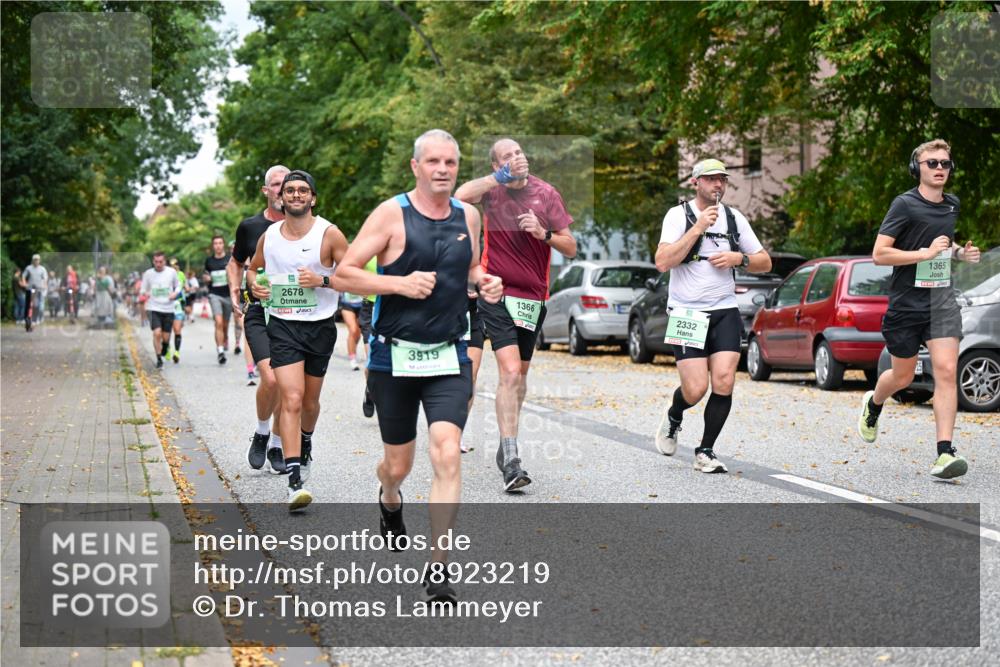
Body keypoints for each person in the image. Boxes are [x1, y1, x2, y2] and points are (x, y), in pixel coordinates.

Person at [334, 129, 504, 604]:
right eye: (433, 162)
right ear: (416, 166)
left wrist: (484, 281)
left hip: (449, 351)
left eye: (450, 162)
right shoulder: (392, 214)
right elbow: (344, 272)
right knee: (398, 465)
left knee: (447, 451)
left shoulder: (468, 215)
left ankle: (438, 568)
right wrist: (398, 285)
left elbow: (467, 270)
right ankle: (389, 499)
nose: (443, 170)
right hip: (394, 354)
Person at [454, 137, 577, 492]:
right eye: (507, 156)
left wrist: (544, 233)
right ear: (497, 165)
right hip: (495, 290)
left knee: (518, 377)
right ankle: (511, 459)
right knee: (508, 371)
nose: (516, 158)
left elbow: (570, 245)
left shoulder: (546, 193)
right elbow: (460, 196)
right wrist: (499, 179)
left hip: (533, 297)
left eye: (518, 153)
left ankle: (505, 446)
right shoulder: (492, 192)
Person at [859, 139, 981, 479]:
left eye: (945, 163)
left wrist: (958, 254)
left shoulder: (952, 205)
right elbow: (880, 254)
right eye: (932, 163)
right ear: (918, 169)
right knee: (902, 376)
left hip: (941, 301)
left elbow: (943, 242)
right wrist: (922, 254)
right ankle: (874, 403)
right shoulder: (904, 205)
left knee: (945, 371)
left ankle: (944, 453)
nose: (940, 168)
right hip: (906, 303)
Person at [653, 158, 772, 473]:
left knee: (724, 380)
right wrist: (698, 228)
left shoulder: (734, 218)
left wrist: (740, 257)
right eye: (711, 179)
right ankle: (674, 415)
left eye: (722, 180)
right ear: (696, 183)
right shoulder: (678, 216)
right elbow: (663, 262)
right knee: (695, 389)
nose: (718, 185)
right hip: (686, 311)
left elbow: (765, 262)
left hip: (724, 310)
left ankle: (705, 450)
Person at [249, 169, 348, 511]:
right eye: (289, 190)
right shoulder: (270, 235)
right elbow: (253, 268)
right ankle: (293, 480)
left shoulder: (329, 234)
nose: (295, 195)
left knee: (309, 402)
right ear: (281, 197)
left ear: (312, 198)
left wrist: (321, 281)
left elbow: (353, 277)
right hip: (284, 324)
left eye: (302, 190)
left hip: (320, 327)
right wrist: (254, 284)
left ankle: (305, 441)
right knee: (290, 397)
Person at [228, 164, 289, 474]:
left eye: (288, 183)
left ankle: (277, 443)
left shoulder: (307, 227)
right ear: (266, 191)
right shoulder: (251, 227)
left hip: (294, 314)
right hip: (260, 312)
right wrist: (236, 290)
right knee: (272, 379)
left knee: (288, 385)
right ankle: (262, 431)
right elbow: (236, 263)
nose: (283, 189)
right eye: (277, 184)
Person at [141, 252, 181, 369]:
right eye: (156, 262)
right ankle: (159, 358)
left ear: (165, 261)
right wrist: (146, 293)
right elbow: (143, 289)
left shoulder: (171, 272)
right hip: (153, 308)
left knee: (166, 337)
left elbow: (178, 286)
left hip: (168, 308)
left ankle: (165, 345)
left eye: (161, 262)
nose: (158, 264)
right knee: (156, 333)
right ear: (153, 262)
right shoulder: (148, 274)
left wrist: (175, 293)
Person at [205, 235, 235, 365]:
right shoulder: (209, 261)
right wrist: (206, 278)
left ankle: (225, 337)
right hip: (214, 294)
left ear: (223, 245)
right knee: (218, 322)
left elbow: (236, 275)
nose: (218, 245)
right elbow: (205, 274)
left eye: (220, 243)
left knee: (225, 324)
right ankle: (220, 351)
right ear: (213, 246)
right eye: (215, 243)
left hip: (228, 295)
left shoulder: (230, 259)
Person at [357, 257, 378, 417]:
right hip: (370, 309)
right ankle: (371, 390)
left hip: (393, 309)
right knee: (372, 361)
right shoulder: (368, 251)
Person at [339, 287, 364, 371]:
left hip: (362, 304)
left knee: (358, 334)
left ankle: (353, 351)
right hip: (347, 304)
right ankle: (353, 359)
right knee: (353, 330)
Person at [23, 254, 48, 325]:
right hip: (30, 289)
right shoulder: (29, 268)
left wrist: (45, 285)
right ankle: (27, 318)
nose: (36, 261)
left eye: (37, 260)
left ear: (39, 260)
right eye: (35, 259)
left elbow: (45, 278)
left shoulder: (42, 269)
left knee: (38, 306)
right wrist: (24, 283)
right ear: (32, 260)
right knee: (29, 304)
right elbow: (24, 276)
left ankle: (37, 318)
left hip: (39, 289)